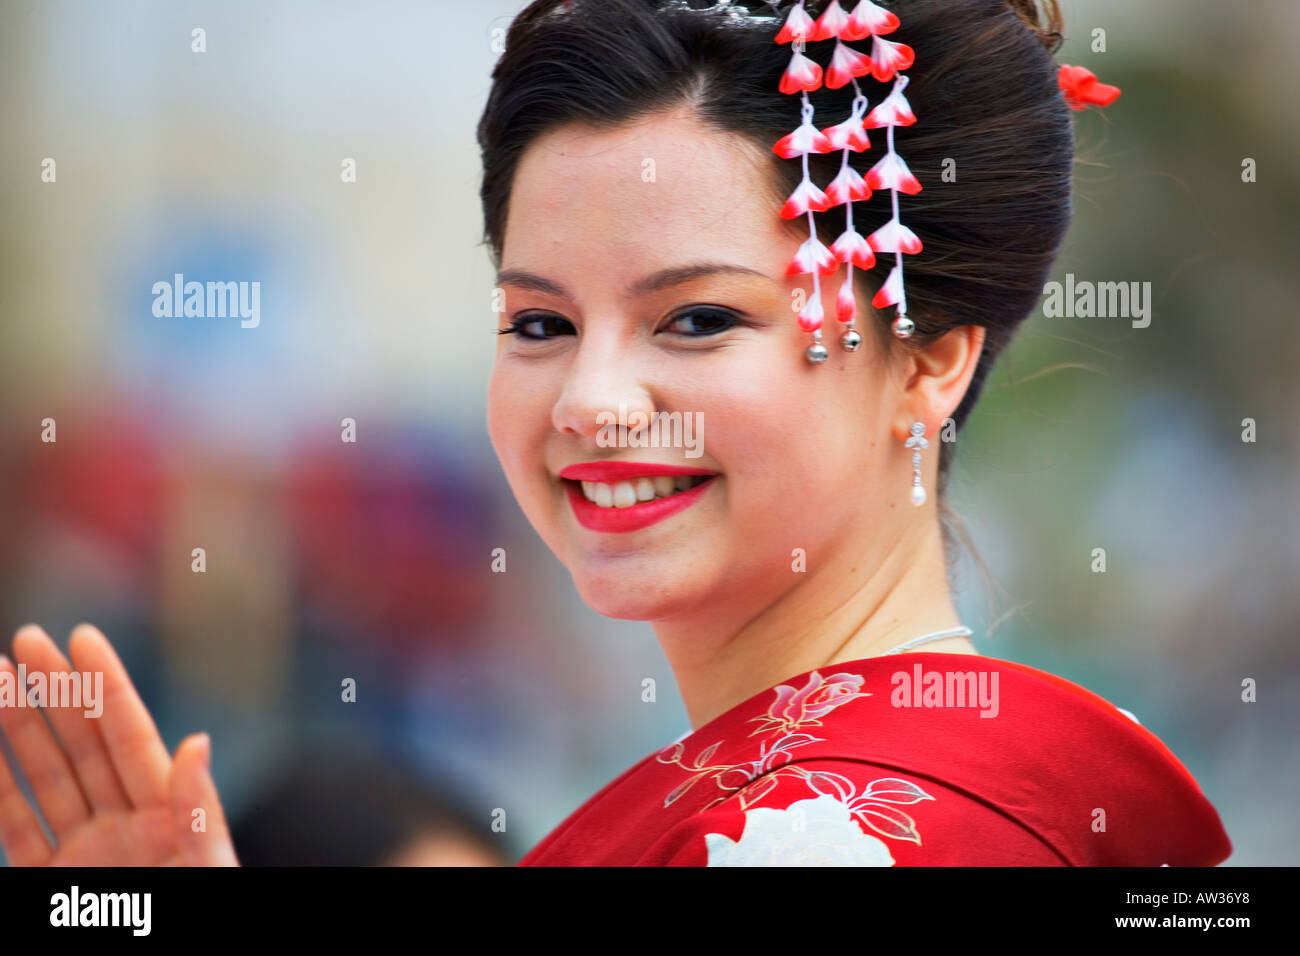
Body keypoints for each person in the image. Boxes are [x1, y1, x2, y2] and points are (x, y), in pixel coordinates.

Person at [0, 0, 1230, 867]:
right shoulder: (1002, 783)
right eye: (538, 322)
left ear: (928, 357)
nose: (591, 400)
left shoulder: (847, 836)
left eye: (694, 317)